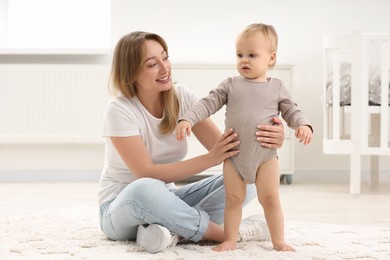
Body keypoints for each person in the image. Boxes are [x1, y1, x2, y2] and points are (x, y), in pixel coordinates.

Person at [98, 30, 286, 254]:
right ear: (131, 72)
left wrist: (272, 138)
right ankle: (228, 234)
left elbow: (231, 150)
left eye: (165, 57)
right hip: (120, 208)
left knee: (248, 179)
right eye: (152, 64)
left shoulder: (181, 97)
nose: (165, 67)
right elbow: (145, 172)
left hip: (169, 201)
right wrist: (209, 160)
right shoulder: (119, 110)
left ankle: (168, 232)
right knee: (144, 188)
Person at [176, 23, 313, 252]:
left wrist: (303, 125)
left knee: (270, 198)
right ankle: (229, 239)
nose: (244, 60)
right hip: (235, 156)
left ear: (271, 58)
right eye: (239, 55)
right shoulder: (230, 85)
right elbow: (208, 103)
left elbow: (292, 111)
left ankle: (278, 240)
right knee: (233, 199)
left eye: (252, 55)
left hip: (266, 157)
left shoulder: (277, 87)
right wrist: (188, 119)